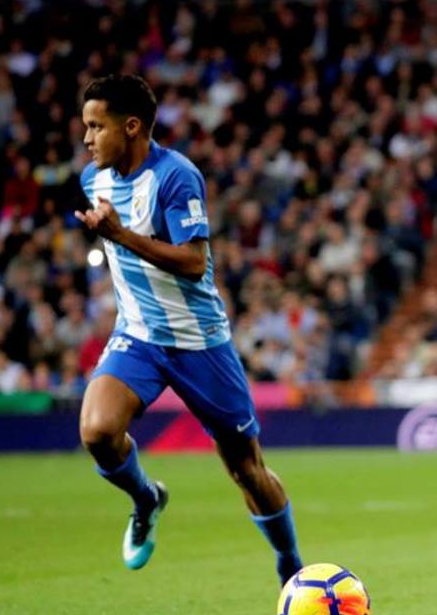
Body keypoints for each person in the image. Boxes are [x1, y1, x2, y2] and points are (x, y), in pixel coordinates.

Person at [74, 74, 303, 583]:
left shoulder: (177, 176)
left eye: (97, 126)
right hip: (137, 334)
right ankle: (146, 498)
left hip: (199, 342)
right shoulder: (94, 180)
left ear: (131, 126)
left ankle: (291, 566)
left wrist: (119, 235)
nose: (87, 138)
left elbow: (194, 263)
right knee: (97, 431)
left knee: (247, 469)